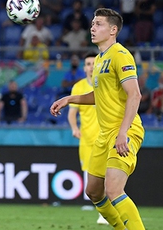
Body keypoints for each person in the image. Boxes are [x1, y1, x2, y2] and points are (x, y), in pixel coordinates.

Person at [50, 8, 145, 229]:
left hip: (125, 131)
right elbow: (99, 95)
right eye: (92, 23)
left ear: (113, 30)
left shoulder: (120, 55)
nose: (92, 27)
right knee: (93, 191)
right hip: (105, 135)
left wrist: (123, 132)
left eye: (98, 24)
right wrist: (70, 99)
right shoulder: (101, 59)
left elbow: (135, 94)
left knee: (113, 190)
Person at [67, 51, 108, 225]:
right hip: (87, 139)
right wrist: (75, 128)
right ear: (84, 68)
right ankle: (94, 203)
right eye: (88, 64)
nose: (91, 66)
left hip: (106, 137)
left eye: (94, 63)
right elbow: (72, 113)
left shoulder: (105, 85)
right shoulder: (78, 87)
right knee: (89, 173)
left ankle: (105, 210)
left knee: (106, 174)